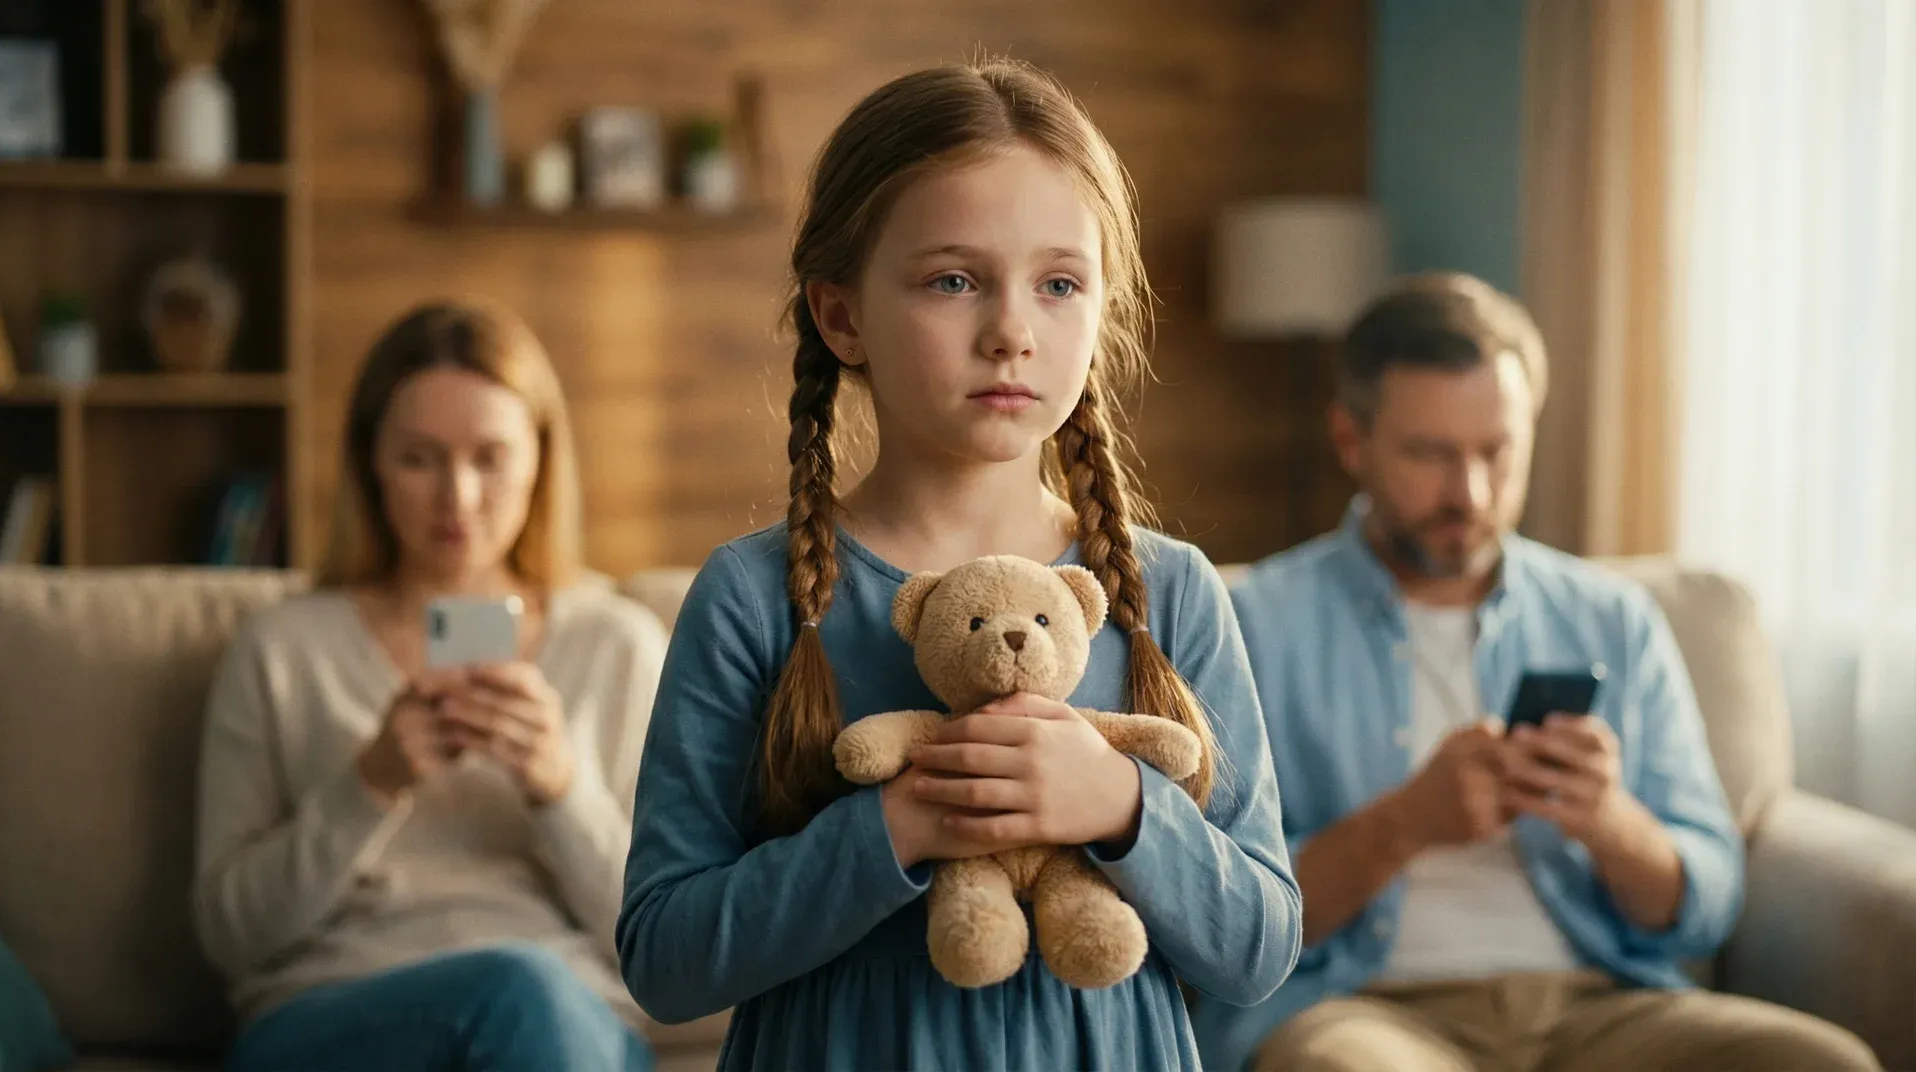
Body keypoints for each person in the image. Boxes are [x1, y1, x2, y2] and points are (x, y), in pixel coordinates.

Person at [616, 59, 1302, 1071]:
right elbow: (665, 960)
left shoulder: (1171, 591)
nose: (1012, 333)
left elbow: (1260, 949)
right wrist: (900, 824)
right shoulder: (753, 596)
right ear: (840, 316)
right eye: (953, 281)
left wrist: (1122, 806)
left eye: (1059, 284)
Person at [1194, 272, 1880, 1072]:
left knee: (1824, 1061)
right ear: (1352, 441)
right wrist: (1406, 823)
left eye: (1498, 452)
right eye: (1429, 454)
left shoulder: (1612, 619)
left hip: (1600, 1007)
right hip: (1363, 1010)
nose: (1470, 492)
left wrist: (1609, 822)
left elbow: (1707, 906)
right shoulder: (1251, 625)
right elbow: (1218, 917)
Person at [192, 302, 668, 1072]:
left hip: (562, 1020)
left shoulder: (616, 647)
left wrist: (561, 791)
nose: (458, 497)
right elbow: (230, 937)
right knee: (515, 990)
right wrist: (367, 786)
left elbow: (671, 943)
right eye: (419, 458)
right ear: (369, 464)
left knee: (525, 992)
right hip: (338, 1013)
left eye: (490, 458)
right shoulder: (281, 651)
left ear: (541, 460)